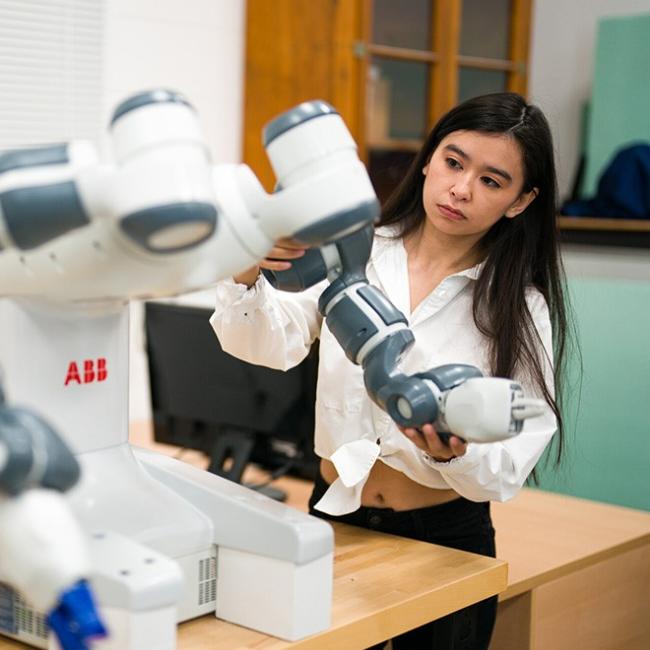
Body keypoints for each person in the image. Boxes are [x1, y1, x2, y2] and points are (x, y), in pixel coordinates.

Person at [210, 92, 570, 650]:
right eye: (453, 162)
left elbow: (505, 468)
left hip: (445, 542)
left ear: (521, 201)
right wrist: (247, 266)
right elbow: (260, 343)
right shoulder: (354, 253)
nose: (461, 189)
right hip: (332, 520)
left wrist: (453, 450)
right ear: (428, 159)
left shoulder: (519, 308)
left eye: (492, 181)